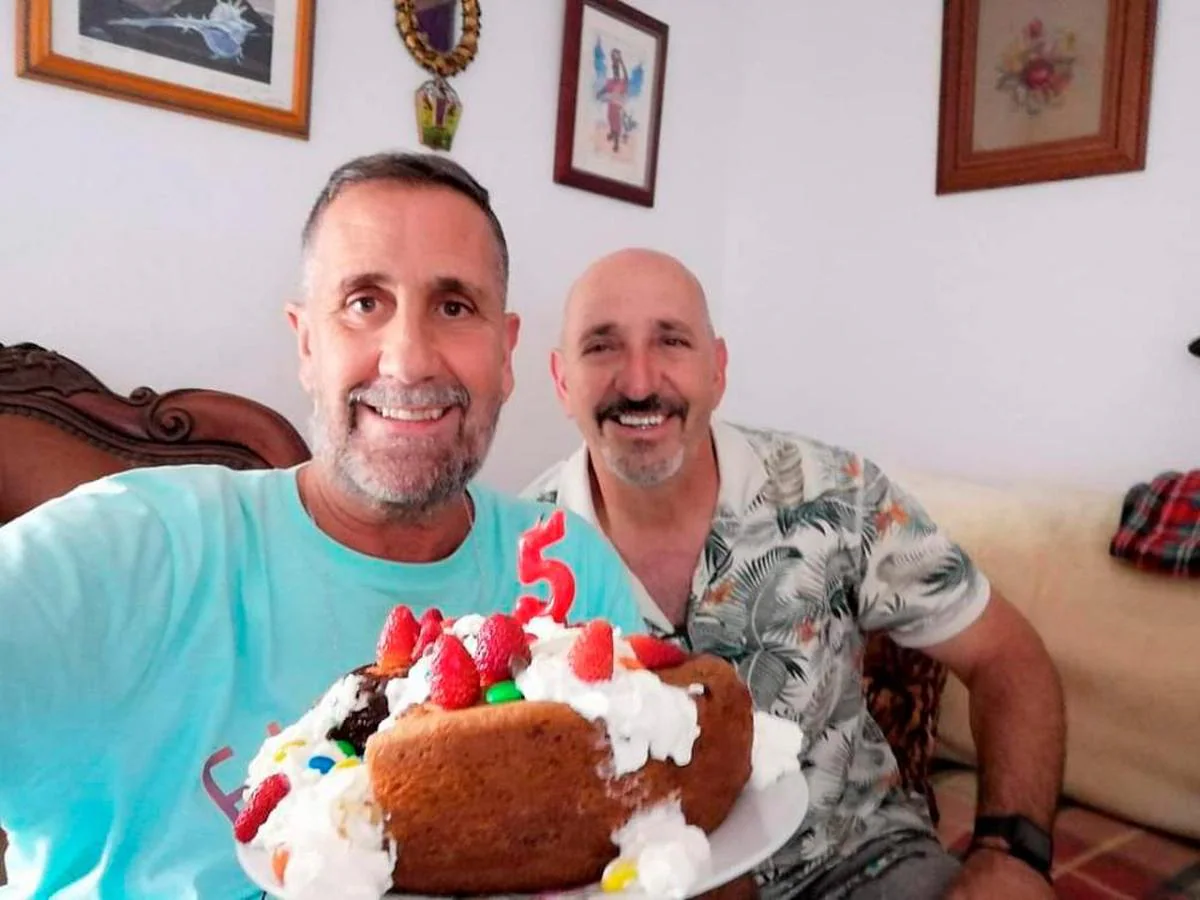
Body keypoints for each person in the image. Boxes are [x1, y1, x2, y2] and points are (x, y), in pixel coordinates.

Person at [0, 153, 643, 899]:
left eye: (455, 306)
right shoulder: (137, 542)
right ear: (307, 343)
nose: (406, 359)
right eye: (365, 302)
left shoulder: (567, 567)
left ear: (506, 353)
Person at [525, 247, 1067, 900]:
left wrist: (1013, 853)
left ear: (717, 371)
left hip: (862, 864)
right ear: (560, 381)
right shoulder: (523, 554)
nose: (640, 381)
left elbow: (1007, 655)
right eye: (601, 347)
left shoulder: (837, 493)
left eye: (671, 340)